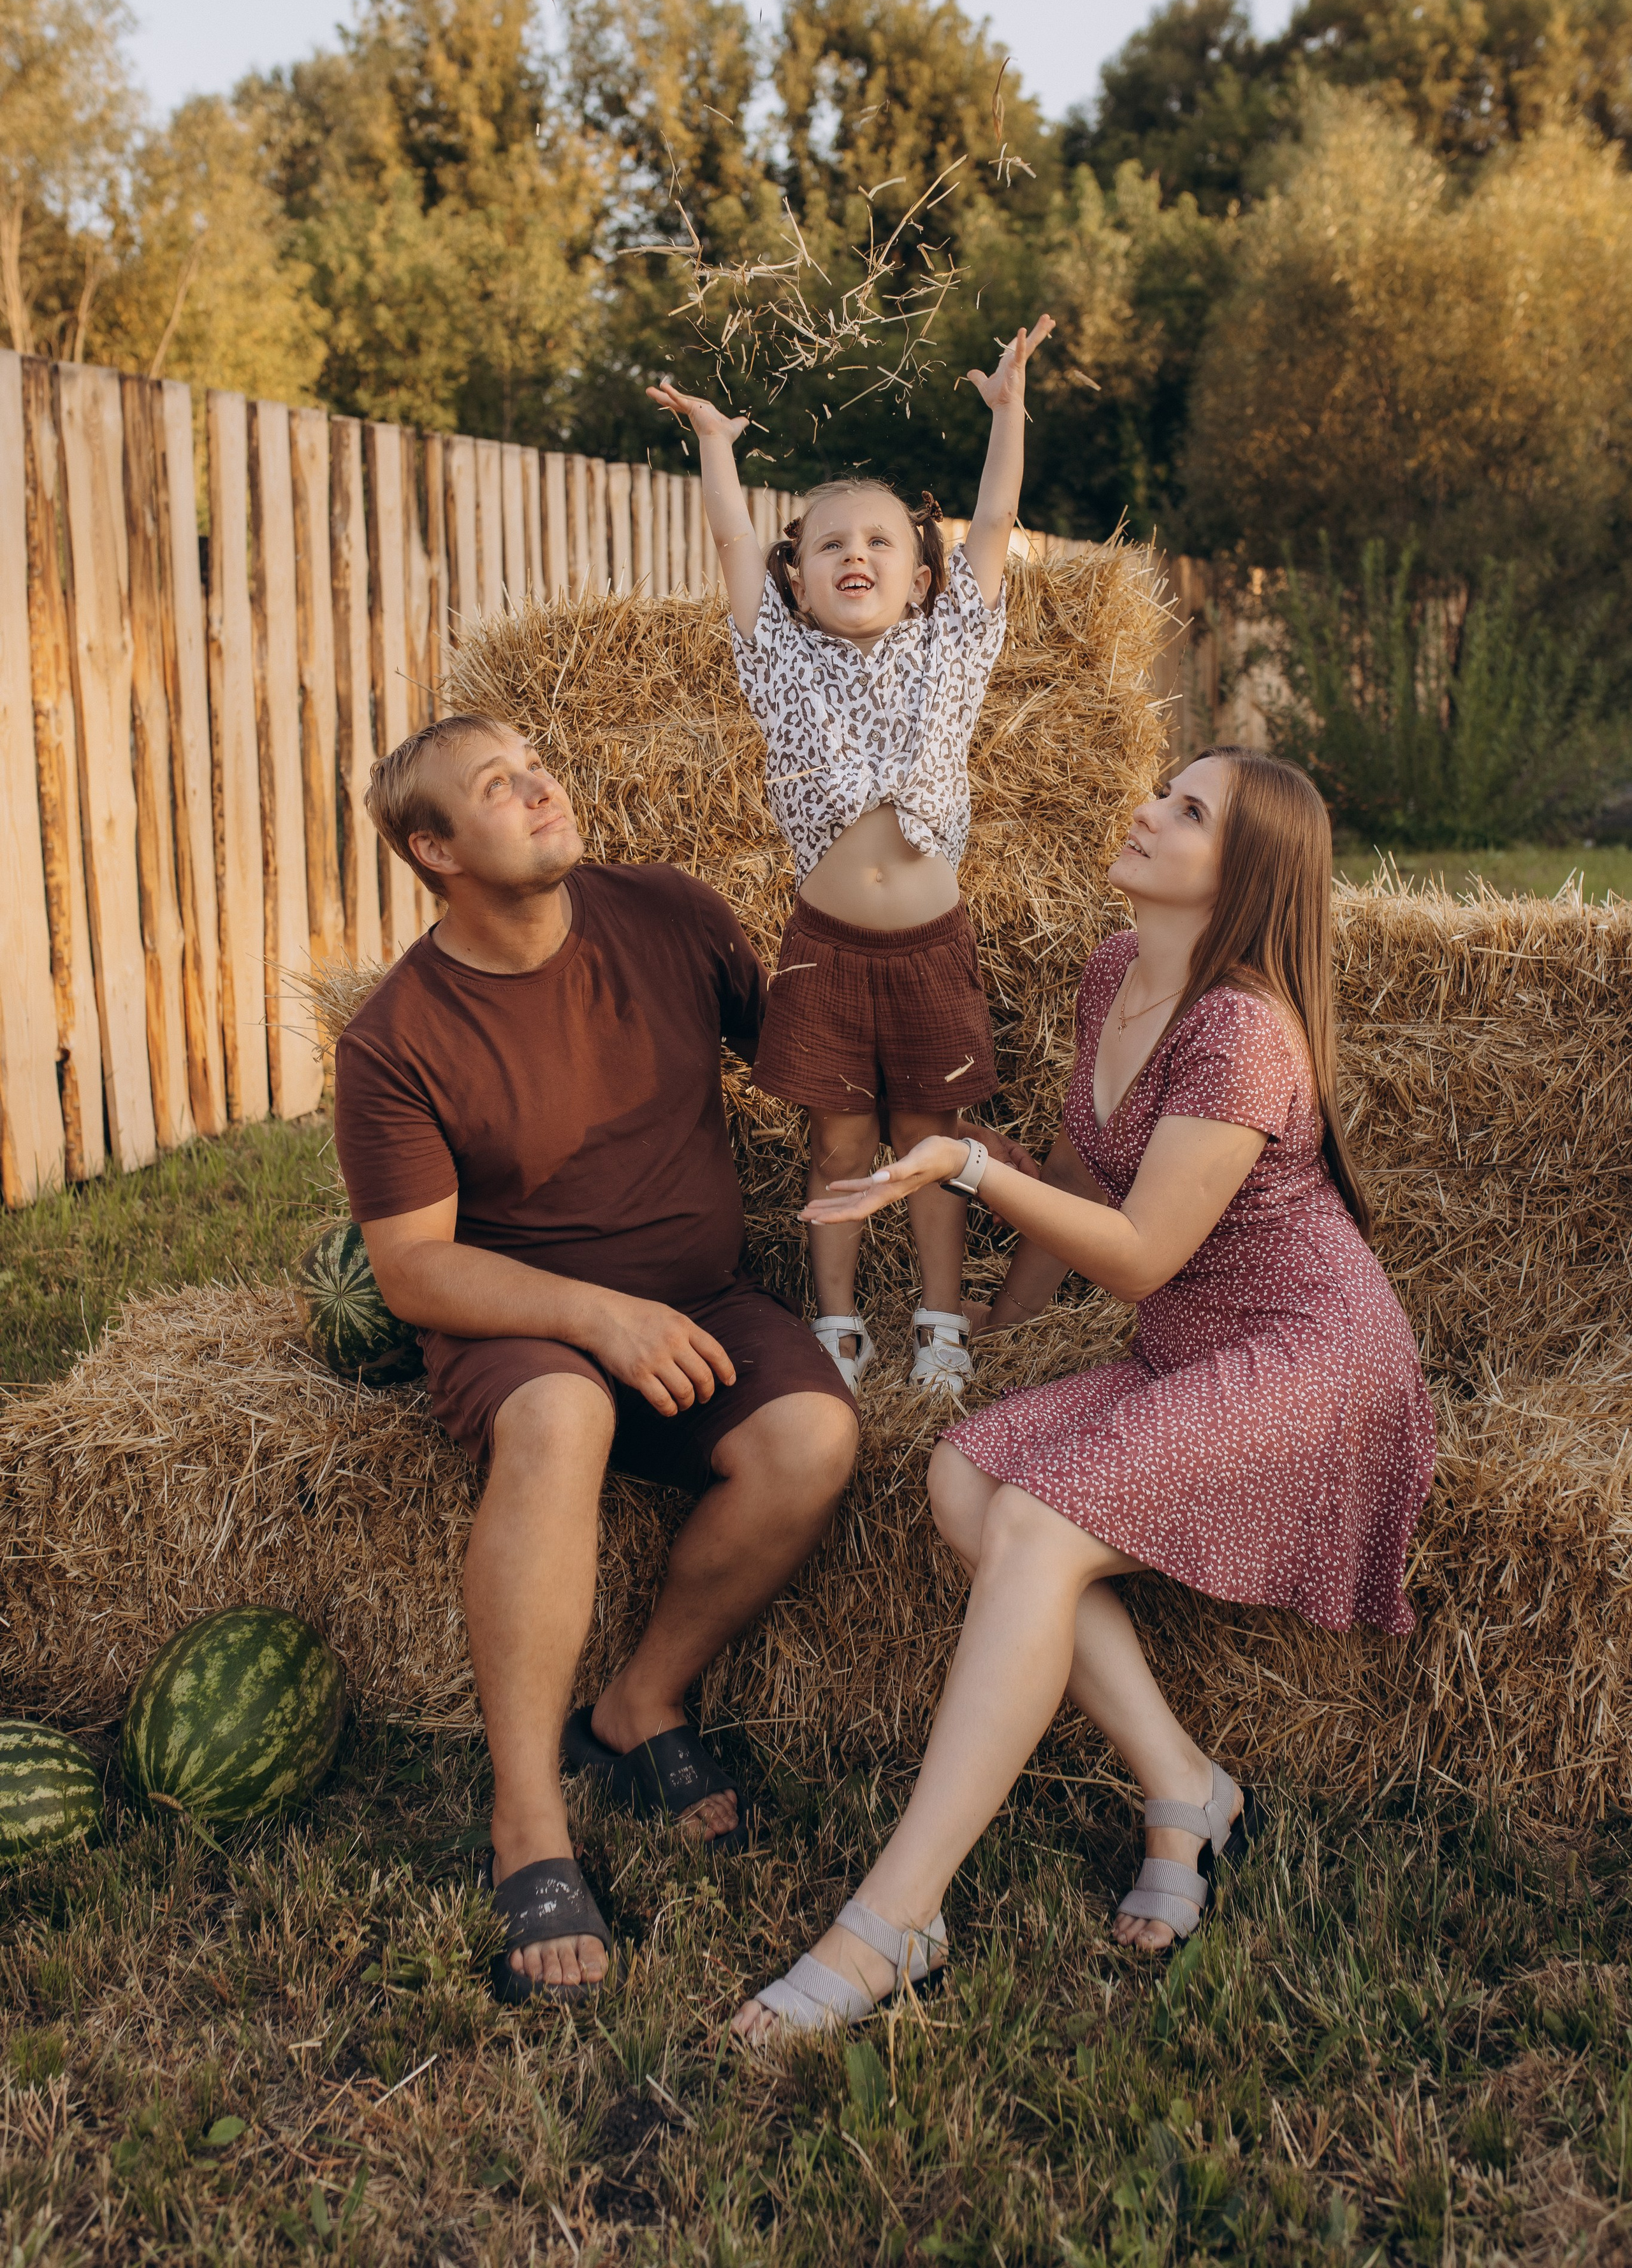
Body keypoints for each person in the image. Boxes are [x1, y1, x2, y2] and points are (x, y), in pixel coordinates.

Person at [732, 747, 1438, 2037]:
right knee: (964, 1475)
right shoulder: (1115, 971)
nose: (1144, 809)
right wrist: (1001, 1296)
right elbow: (1081, 1164)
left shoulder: (1240, 1031)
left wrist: (958, 1165)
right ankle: (1184, 1788)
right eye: (1159, 788)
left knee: (1037, 1526)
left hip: (1312, 1357)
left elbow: (1143, 1252)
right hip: (1191, 1353)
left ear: (1244, 874)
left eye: (1187, 811)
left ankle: (892, 1919)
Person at [332, 711, 864, 2003]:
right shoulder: (395, 1037)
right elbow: (414, 1270)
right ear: (433, 849)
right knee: (565, 1412)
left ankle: (638, 1702)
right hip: (517, 1328)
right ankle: (528, 1818)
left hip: (701, 1299)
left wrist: (938, 1125)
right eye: (496, 787)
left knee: (815, 1439)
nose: (539, 786)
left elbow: (811, 1065)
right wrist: (594, 1317)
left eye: (535, 764)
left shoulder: (670, 915)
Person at [649, 317, 1054, 1400]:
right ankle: (836, 1327)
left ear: (922, 578)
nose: (856, 556)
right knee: (837, 1146)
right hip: (826, 949)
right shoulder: (778, 657)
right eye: (830, 546)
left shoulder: (953, 643)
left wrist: (1008, 414)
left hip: (928, 946)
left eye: (880, 542)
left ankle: (938, 1327)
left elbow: (999, 518)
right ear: (799, 581)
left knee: (931, 1141)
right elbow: (736, 545)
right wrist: (716, 443)